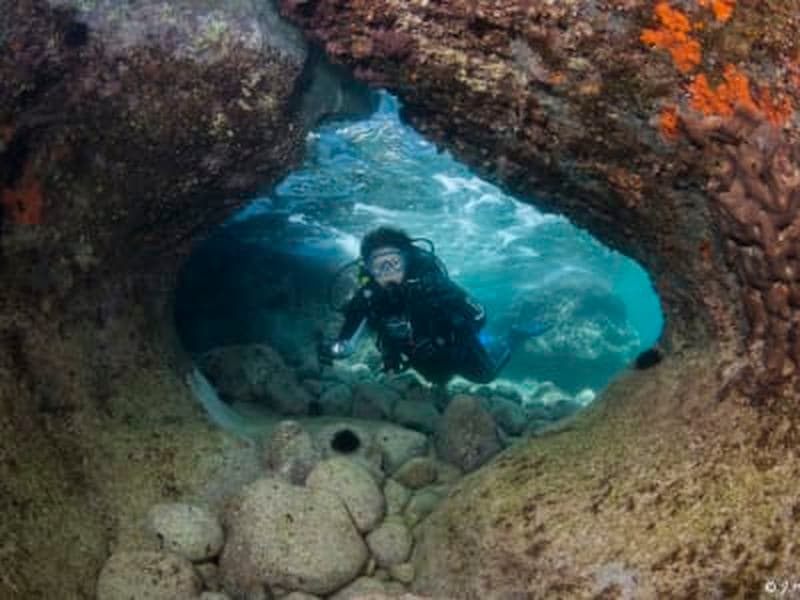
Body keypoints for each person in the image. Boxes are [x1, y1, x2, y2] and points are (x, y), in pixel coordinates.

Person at [318, 226, 521, 385]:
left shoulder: (434, 284)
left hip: (457, 349)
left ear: (407, 261)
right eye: (379, 266)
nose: (388, 271)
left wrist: (447, 296)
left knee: (486, 376)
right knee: (438, 379)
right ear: (369, 269)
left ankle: (512, 336)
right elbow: (345, 342)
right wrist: (333, 350)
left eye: (393, 262)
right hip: (419, 357)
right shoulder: (368, 297)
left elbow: (480, 316)